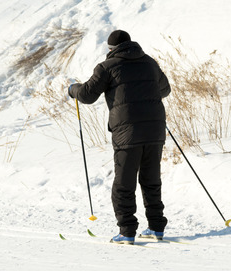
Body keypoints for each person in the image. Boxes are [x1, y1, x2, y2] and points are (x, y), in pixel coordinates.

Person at [68, 30, 171, 245]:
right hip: (154, 131)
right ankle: (156, 227)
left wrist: (72, 89)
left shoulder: (107, 67)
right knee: (151, 180)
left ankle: (126, 231)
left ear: (111, 49)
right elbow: (164, 89)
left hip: (127, 133)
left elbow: (87, 94)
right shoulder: (150, 62)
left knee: (123, 184)